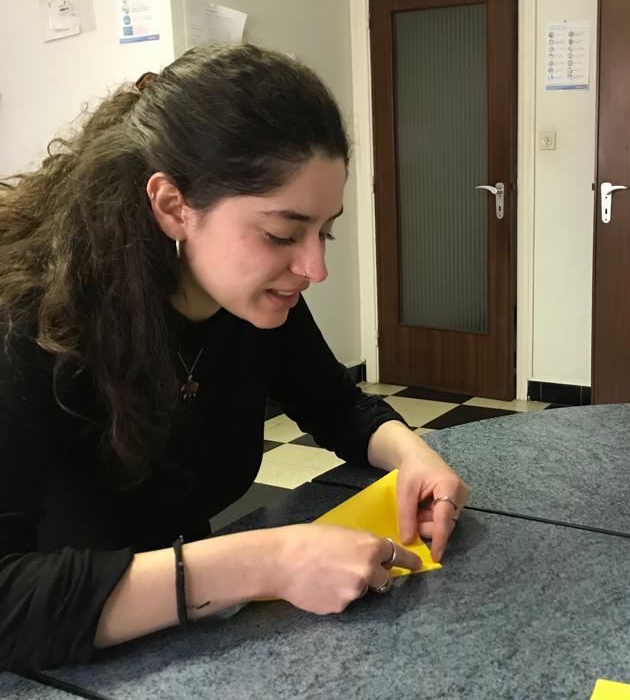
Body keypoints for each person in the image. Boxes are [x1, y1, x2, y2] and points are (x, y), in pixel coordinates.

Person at [0, 44, 469, 669]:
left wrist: (414, 456)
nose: (314, 268)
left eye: (324, 231)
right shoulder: (28, 330)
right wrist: (269, 561)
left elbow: (335, 403)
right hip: (60, 655)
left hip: (178, 633)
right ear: (173, 206)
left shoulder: (251, 300)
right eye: (281, 234)